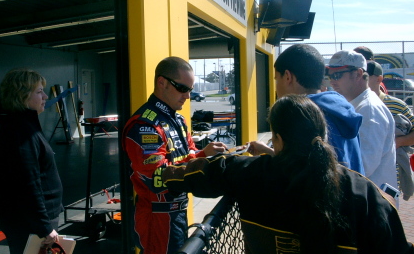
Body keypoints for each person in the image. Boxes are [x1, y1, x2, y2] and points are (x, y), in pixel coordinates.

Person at [162, 94, 414, 254]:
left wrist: (165, 175)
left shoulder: (248, 172)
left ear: (278, 139)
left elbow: (200, 175)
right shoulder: (363, 191)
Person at [122, 56, 227, 254]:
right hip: (156, 216)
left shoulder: (178, 120)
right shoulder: (145, 125)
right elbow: (158, 177)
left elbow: (189, 154)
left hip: (178, 211)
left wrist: (206, 153)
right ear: (161, 83)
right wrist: (206, 170)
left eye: (190, 89)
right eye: (182, 88)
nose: (188, 96)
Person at [0, 69, 62, 254]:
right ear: (21, 96)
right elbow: (27, 185)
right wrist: (44, 228)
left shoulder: (24, 126)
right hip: (30, 225)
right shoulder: (20, 132)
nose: (45, 96)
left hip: (34, 221)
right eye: (39, 92)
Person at [269, 44, 364, 173]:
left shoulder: (301, 117)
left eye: (276, 79)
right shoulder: (343, 110)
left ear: (287, 76)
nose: (276, 87)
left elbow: (297, 174)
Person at [326, 50, 397, 191]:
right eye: (329, 75)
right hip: (364, 198)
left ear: (358, 73)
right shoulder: (357, 105)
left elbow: (362, 166)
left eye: (337, 75)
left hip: (370, 203)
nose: (332, 81)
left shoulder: (369, 110)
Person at [367, 60, 414, 200]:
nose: (360, 79)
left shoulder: (397, 105)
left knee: (388, 214)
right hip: (363, 175)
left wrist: (397, 141)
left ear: (379, 79)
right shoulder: (351, 104)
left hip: (391, 178)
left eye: (365, 76)